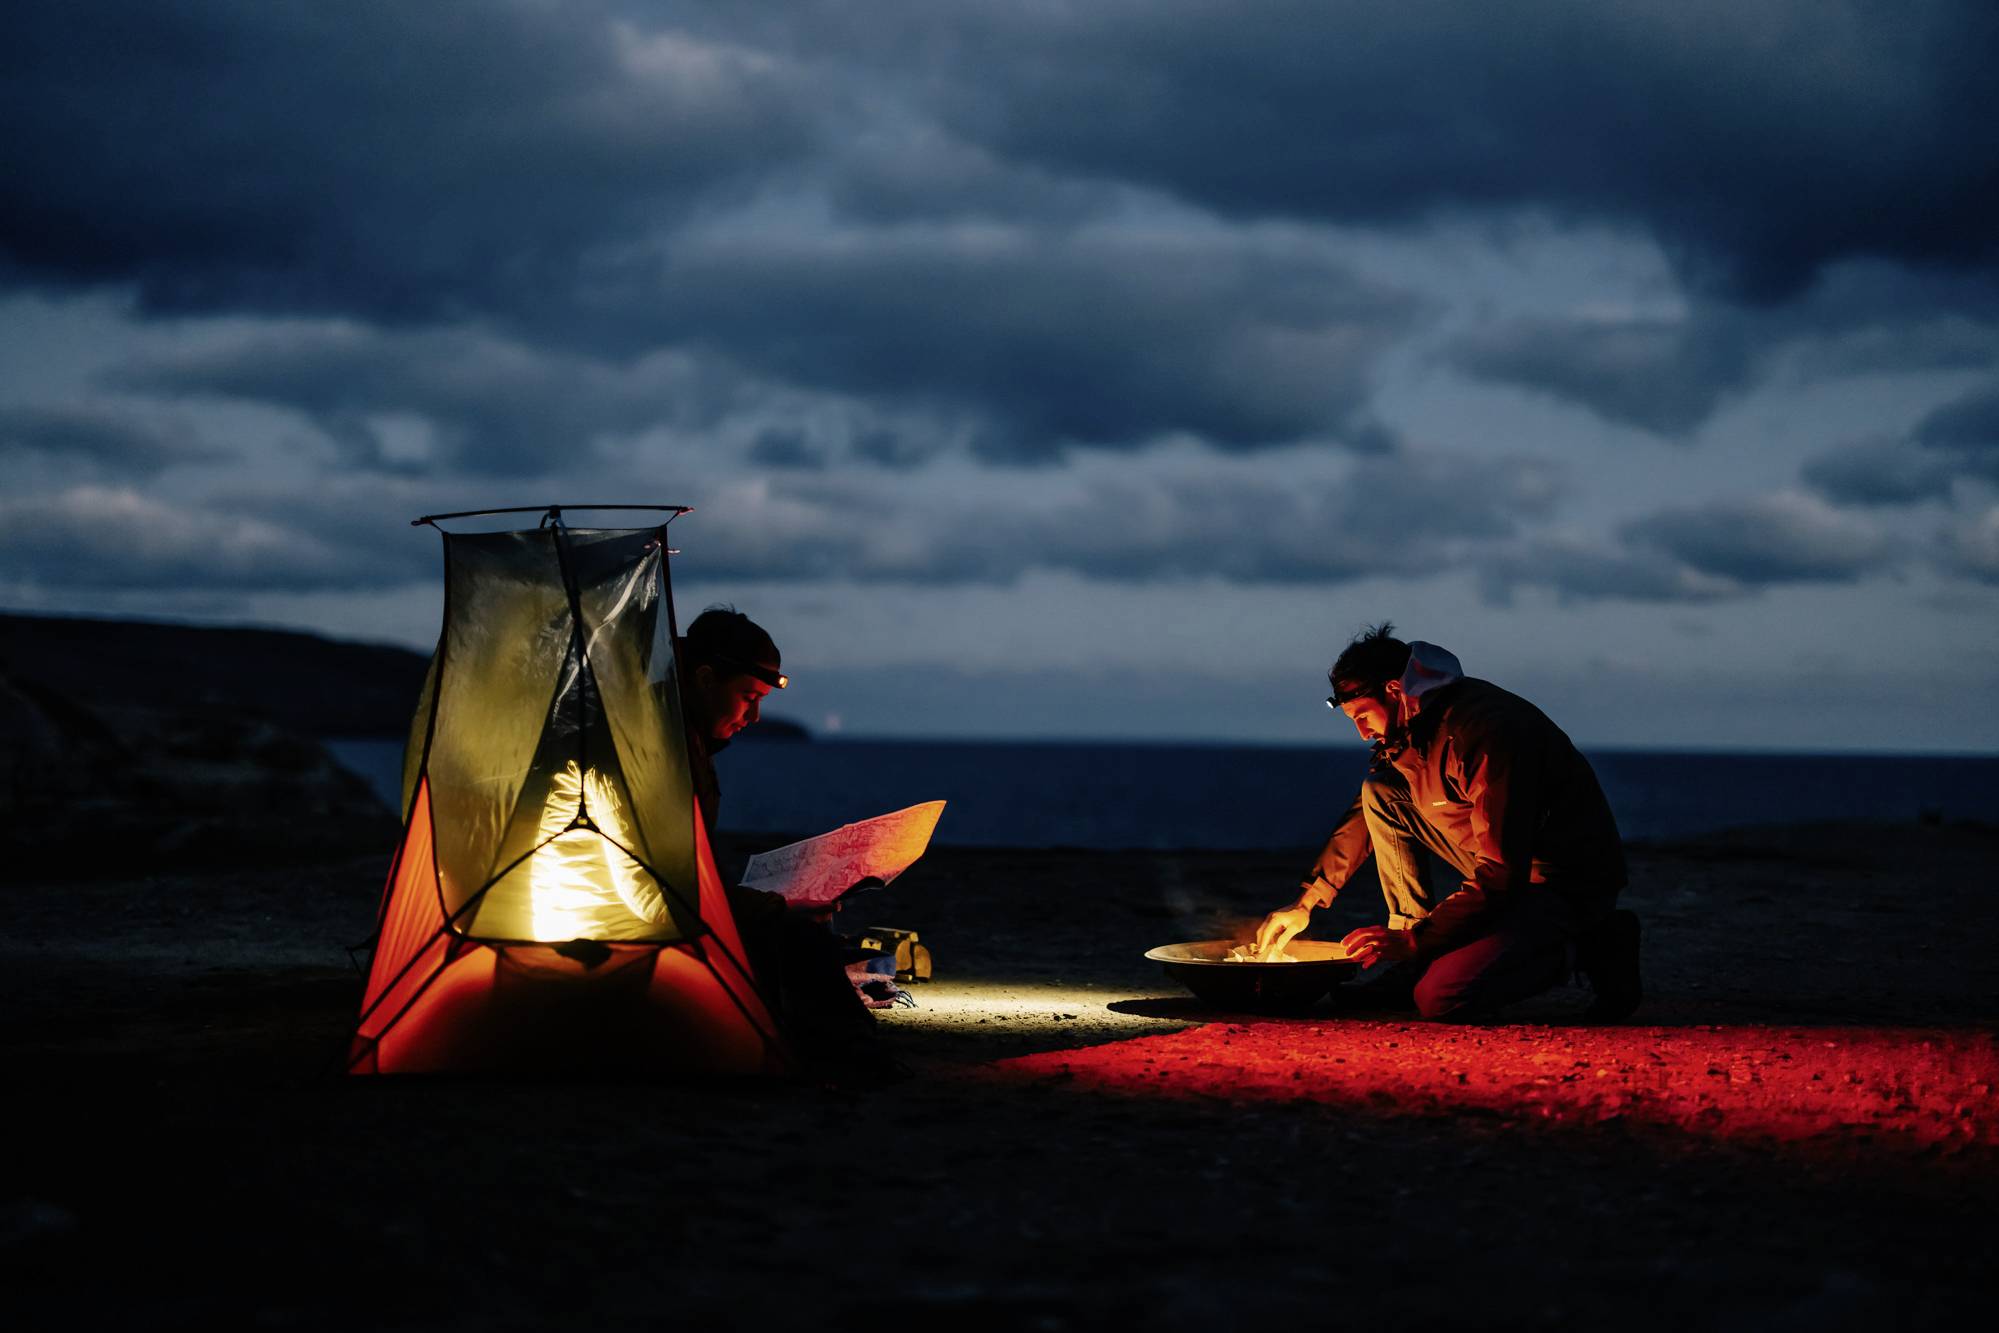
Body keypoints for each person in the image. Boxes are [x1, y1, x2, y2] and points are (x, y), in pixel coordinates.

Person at [1255, 624, 1641, 1022]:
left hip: (1560, 883)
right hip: (1509, 869)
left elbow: (1501, 873)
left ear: (1393, 690)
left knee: (1444, 998)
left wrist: (1414, 940)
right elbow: (1372, 809)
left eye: (1364, 716)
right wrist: (1306, 902)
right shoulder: (1414, 727)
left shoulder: (1484, 731)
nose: (1361, 732)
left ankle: (1594, 943)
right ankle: (1416, 960)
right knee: (1380, 791)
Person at [675, 606, 892, 1072]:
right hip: (656, 920)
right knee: (796, 936)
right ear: (706, 678)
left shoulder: (689, 741)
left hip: (674, 907)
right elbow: (675, 888)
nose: (753, 716)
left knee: (813, 932)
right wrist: (776, 908)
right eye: (748, 696)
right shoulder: (665, 749)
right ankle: (850, 1053)